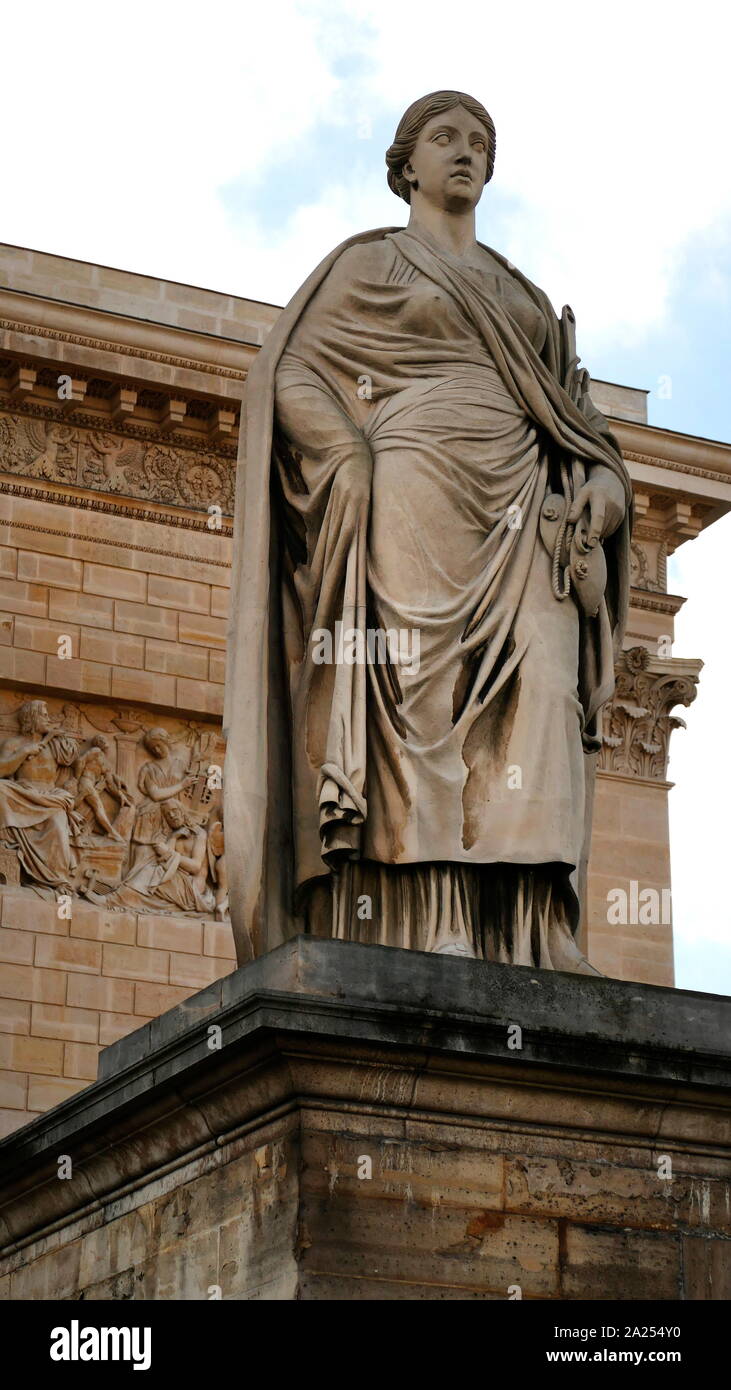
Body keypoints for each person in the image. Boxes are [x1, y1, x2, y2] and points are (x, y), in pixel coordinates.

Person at [224, 90, 631, 970]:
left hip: (529, 504)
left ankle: (530, 930)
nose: (466, 152)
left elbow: (579, 418)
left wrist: (603, 480)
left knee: (543, 697)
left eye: (480, 142)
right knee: (418, 697)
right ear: (406, 164)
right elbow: (291, 373)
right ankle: (429, 916)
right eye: (445, 137)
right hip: (413, 484)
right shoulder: (368, 267)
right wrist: (346, 457)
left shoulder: (522, 293)